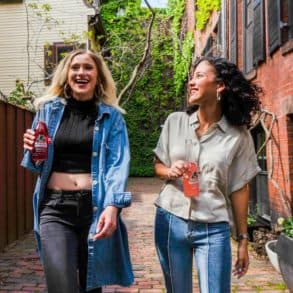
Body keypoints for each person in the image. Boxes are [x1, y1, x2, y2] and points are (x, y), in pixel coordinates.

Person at [21, 49, 133, 293]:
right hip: (54, 208)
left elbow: (118, 164)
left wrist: (113, 207)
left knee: (91, 286)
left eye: (88, 68)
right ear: (66, 75)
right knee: (62, 284)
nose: (81, 72)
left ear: (98, 76)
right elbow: (35, 164)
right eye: (75, 68)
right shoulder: (47, 111)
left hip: (95, 208)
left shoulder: (111, 118)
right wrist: (31, 148)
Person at [153, 57, 262, 293]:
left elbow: (240, 188)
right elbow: (159, 166)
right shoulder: (175, 122)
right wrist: (169, 171)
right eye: (192, 76)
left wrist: (243, 241)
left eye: (199, 76)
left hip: (213, 227)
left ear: (219, 85)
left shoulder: (238, 137)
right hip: (171, 219)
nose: (192, 82)